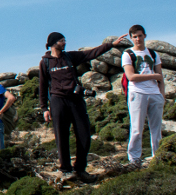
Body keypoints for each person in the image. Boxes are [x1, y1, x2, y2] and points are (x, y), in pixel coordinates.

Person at [40, 31, 129, 182]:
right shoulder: (45, 62)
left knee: (84, 134)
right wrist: (44, 108)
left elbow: (91, 53)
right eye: (62, 40)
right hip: (58, 101)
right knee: (61, 136)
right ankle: (65, 170)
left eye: (64, 40)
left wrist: (110, 45)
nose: (65, 42)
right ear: (53, 43)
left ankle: (80, 169)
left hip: (76, 99)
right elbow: (42, 86)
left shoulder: (70, 57)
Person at [122, 24, 166, 166]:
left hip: (155, 93)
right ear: (131, 38)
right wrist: (153, 76)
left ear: (145, 36)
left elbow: (161, 77)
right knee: (136, 128)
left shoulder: (153, 54)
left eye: (140, 36)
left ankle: (157, 157)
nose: (138, 39)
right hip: (137, 92)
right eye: (135, 37)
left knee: (156, 129)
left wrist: (162, 95)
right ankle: (134, 159)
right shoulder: (128, 54)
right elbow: (131, 77)